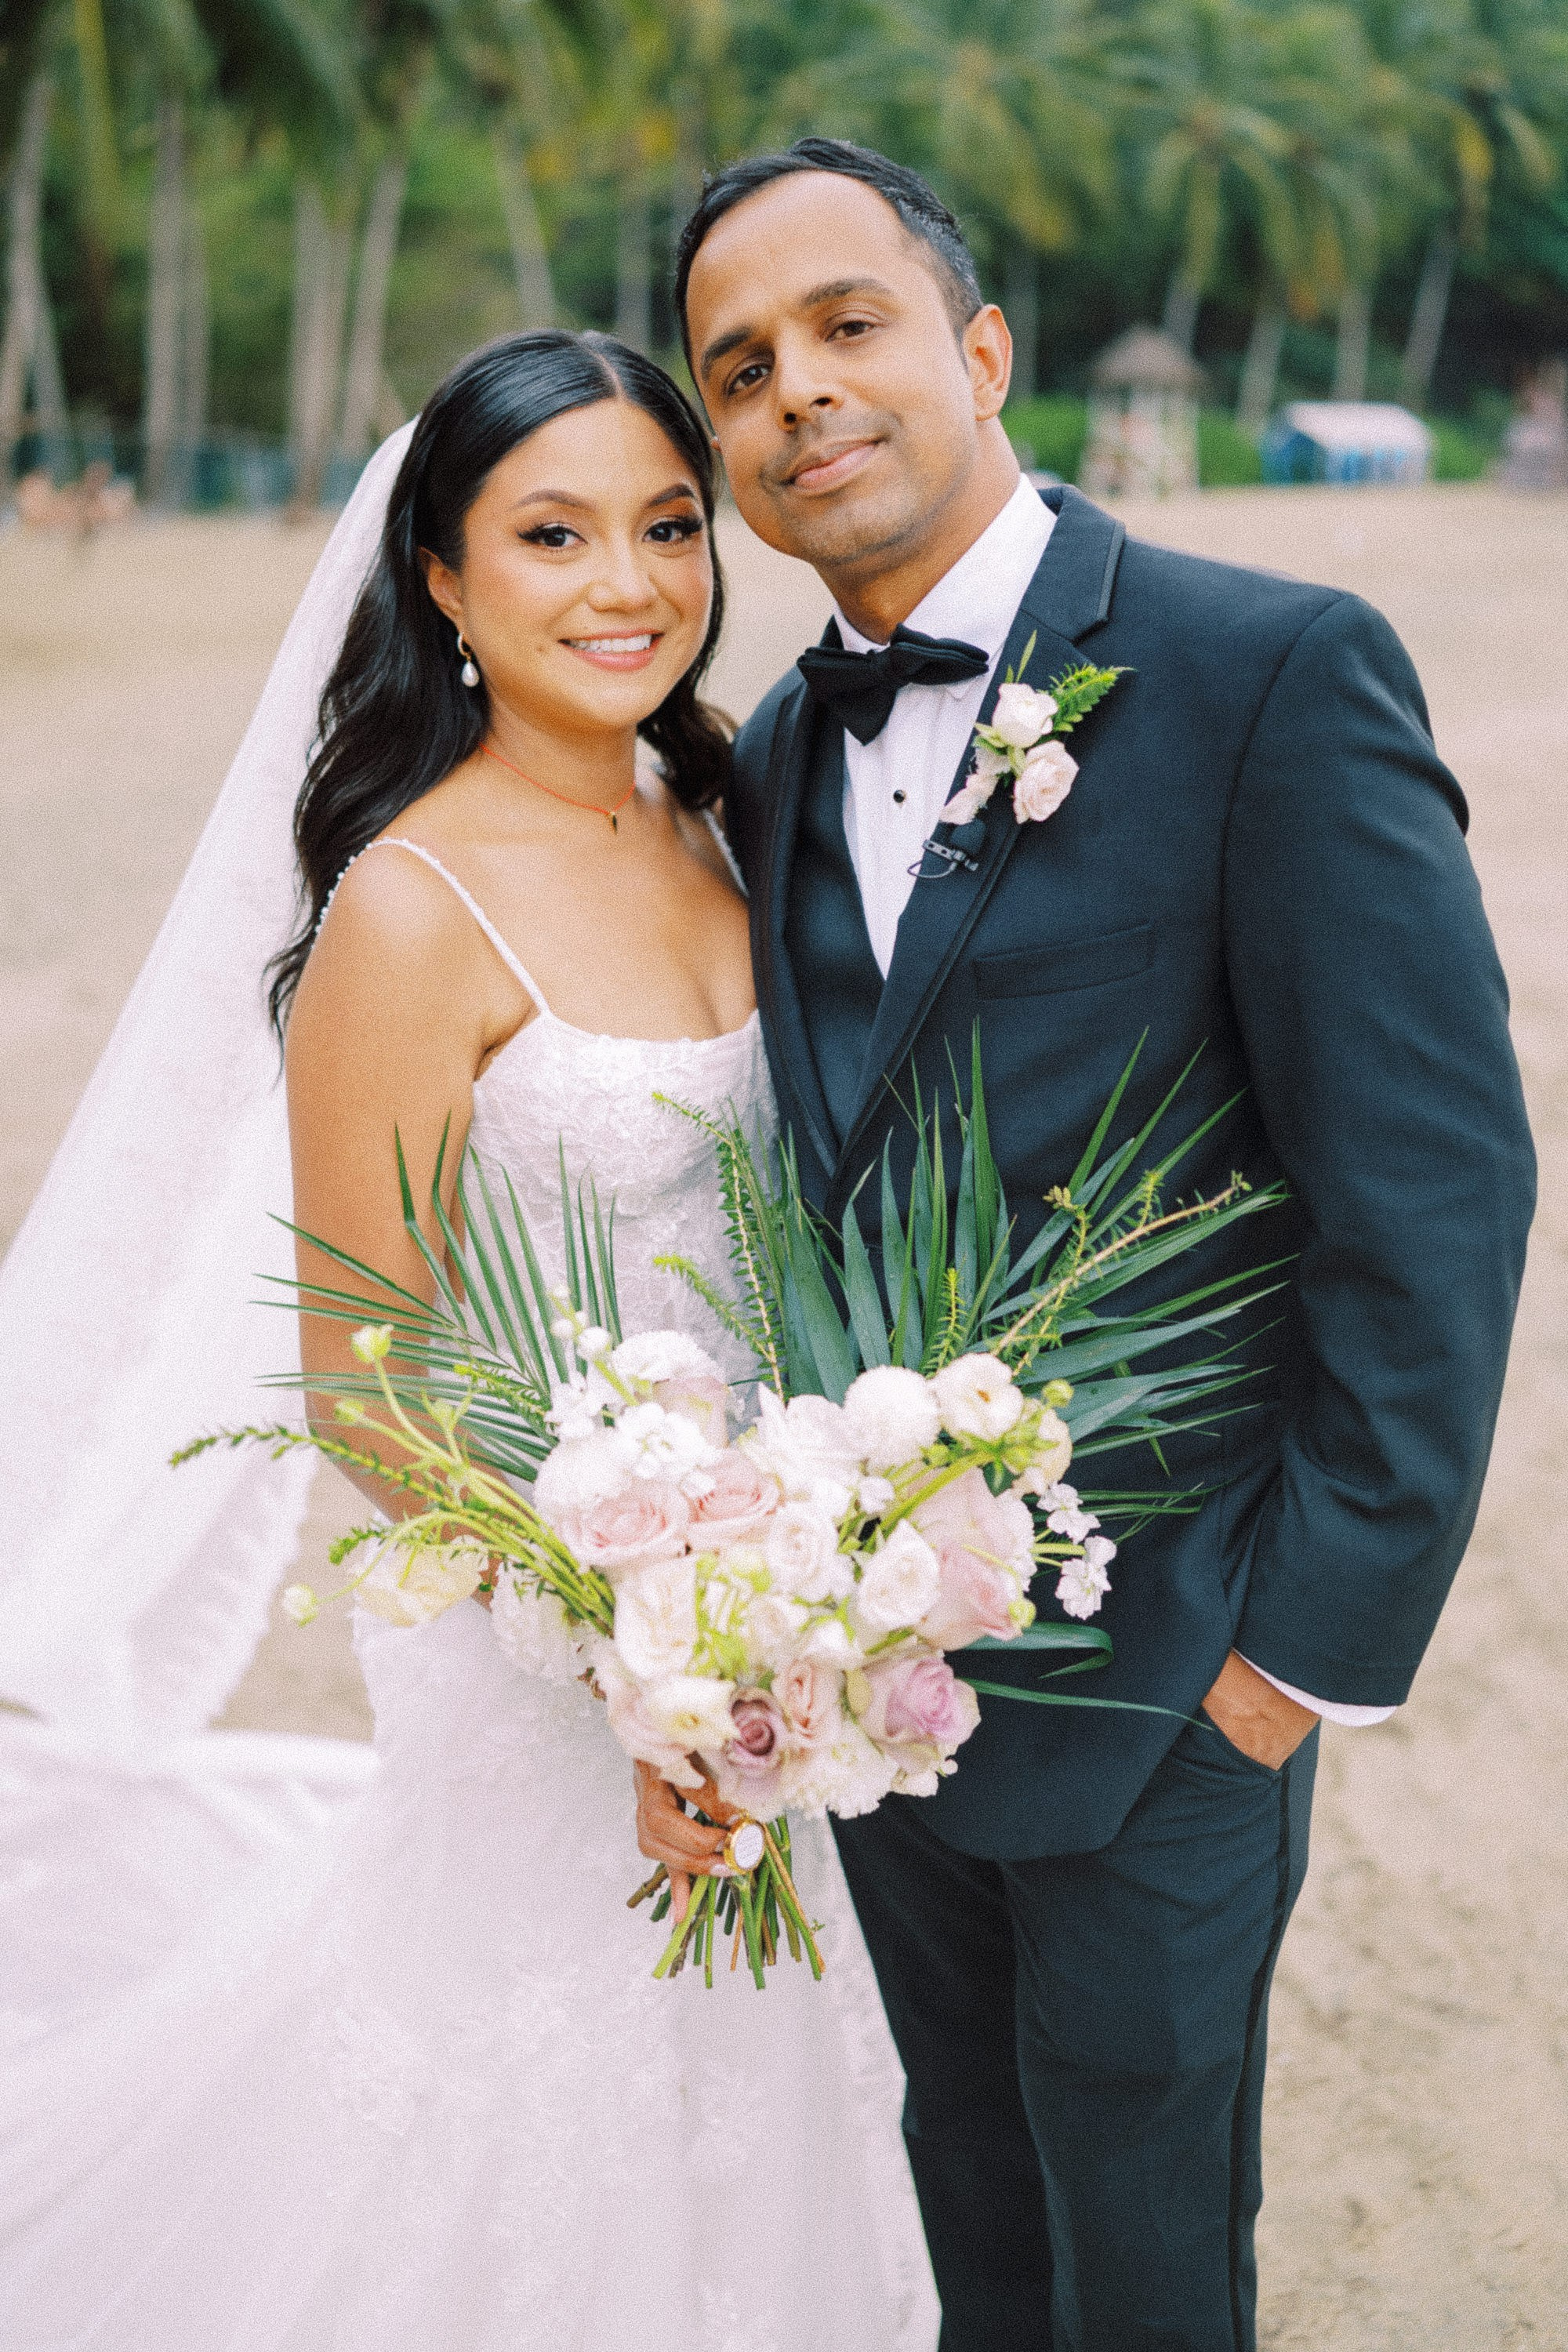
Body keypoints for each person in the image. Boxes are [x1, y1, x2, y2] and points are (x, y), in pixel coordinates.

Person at [672, 138, 1536, 2351]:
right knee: (968, 2222)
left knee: (1147, 2267)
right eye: (739, 369)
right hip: (884, 1704)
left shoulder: (1270, 673)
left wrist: (1295, 1663)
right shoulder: (772, 758)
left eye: (847, 325)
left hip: (1175, 1689)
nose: (797, 391)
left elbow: (1435, 1185)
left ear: (980, 351)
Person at [0, 331, 938, 2350]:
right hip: (537, 1637)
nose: (631, 585)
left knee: (756, 2082)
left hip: (771, 1612)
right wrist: (630, 1659)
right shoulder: (409, 911)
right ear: (440, 574)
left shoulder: (732, 813)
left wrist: (793, 1597)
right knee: (527, 2103)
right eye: (553, 535)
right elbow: (360, 1377)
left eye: (669, 527)